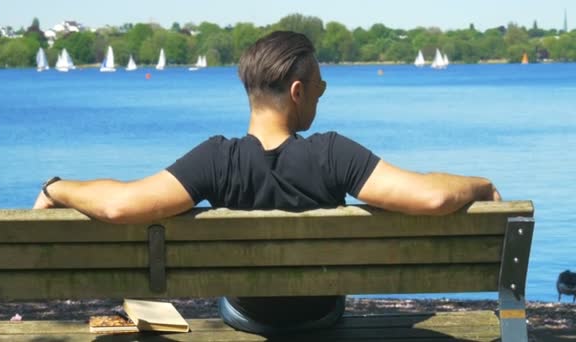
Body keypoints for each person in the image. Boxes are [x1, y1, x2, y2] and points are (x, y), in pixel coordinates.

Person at [34, 31, 501, 334]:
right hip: (320, 316)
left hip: (247, 317)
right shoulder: (334, 153)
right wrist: (480, 185)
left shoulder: (216, 159)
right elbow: (434, 195)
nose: (322, 93)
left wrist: (58, 187)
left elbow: (121, 206)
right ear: (297, 91)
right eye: (318, 85)